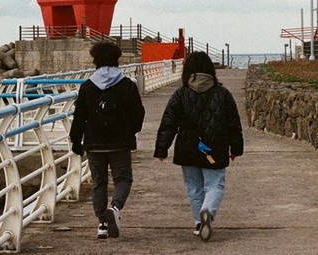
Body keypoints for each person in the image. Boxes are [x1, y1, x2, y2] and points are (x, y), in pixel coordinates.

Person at [153, 51, 244, 241]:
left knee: (193, 187)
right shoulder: (223, 93)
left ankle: (198, 222)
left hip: (188, 146)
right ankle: (207, 213)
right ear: (210, 70)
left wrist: (162, 148)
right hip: (215, 147)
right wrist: (236, 148)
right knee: (215, 185)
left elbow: (169, 122)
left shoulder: (181, 93)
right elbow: (233, 123)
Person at [69, 41, 145, 239]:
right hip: (120, 142)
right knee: (123, 179)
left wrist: (75, 141)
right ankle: (115, 208)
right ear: (117, 59)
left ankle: (102, 224)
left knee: (98, 182)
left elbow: (79, 117)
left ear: (95, 60)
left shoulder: (87, 86)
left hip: (94, 142)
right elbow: (138, 114)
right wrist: (132, 131)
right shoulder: (127, 85)